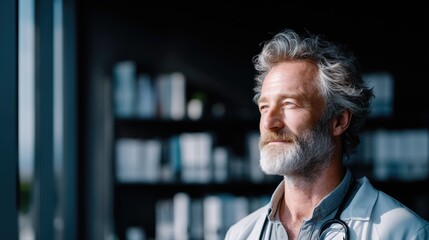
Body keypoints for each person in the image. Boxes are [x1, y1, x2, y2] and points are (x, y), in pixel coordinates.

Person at [224, 28, 429, 239]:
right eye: (264, 107)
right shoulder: (240, 234)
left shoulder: (403, 232)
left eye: (289, 104)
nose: (269, 122)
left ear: (338, 120)